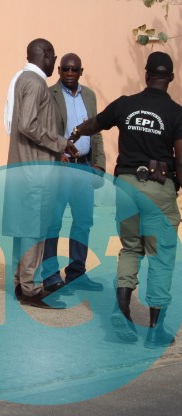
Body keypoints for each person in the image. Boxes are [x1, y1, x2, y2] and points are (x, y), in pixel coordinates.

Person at [70, 51, 182, 348]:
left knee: (131, 249)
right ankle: (156, 330)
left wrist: (77, 131)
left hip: (125, 187)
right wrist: (176, 185)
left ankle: (122, 313)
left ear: (146, 75)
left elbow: (96, 124)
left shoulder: (125, 104)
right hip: (158, 187)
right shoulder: (176, 113)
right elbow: (180, 159)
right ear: (170, 78)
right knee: (160, 256)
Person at [2, 38, 77, 309]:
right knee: (34, 230)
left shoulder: (23, 80)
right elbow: (27, 125)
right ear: (44, 54)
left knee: (24, 229)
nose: (54, 63)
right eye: (53, 57)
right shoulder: (34, 83)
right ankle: (31, 288)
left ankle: (20, 282)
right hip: (36, 171)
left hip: (27, 168)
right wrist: (60, 143)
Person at [42, 53, 106, 293]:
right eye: (65, 69)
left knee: (83, 221)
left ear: (81, 71)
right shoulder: (49, 94)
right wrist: (55, 151)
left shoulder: (89, 95)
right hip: (61, 167)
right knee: (53, 222)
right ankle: (49, 275)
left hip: (84, 166)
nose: (70, 74)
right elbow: (44, 130)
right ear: (58, 70)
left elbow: (96, 131)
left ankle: (76, 273)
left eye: (74, 70)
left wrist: (99, 164)